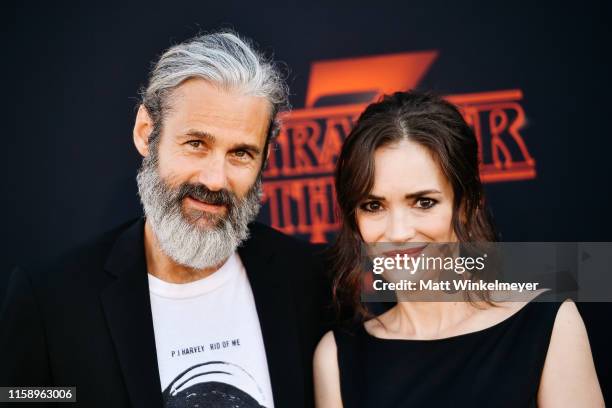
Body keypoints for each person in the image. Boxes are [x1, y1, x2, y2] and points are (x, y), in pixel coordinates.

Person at [0, 31, 330, 408]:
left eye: (240, 153)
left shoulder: (310, 280)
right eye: (196, 144)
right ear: (146, 133)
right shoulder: (52, 303)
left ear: (265, 158)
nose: (214, 179)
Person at [313, 91, 604, 407]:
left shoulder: (546, 324)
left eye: (424, 203)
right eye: (373, 205)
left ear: (466, 206)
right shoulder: (338, 358)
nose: (397, 232)